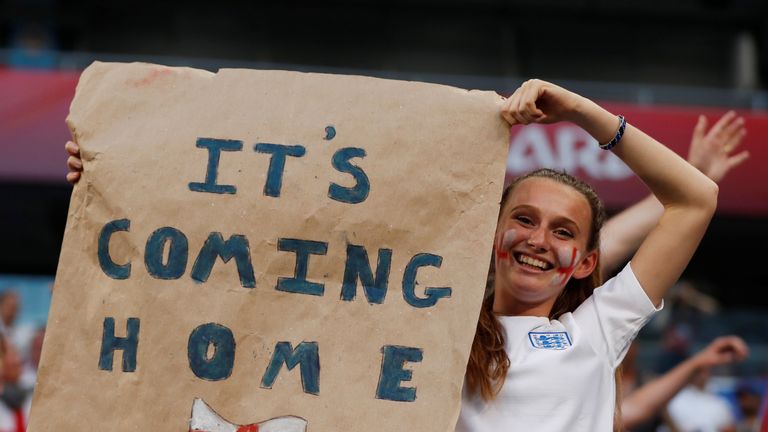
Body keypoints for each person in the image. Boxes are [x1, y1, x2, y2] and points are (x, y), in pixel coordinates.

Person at [66, 79, 718, 431]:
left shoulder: (598, 329)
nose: (538, 241)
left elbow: (695, 200)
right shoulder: (421, 321)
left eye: (562, 232)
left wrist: (578, 110)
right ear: (490, 233)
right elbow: (263, 255)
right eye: (522, 219)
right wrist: (126, 184)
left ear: (582, 262)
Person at [622, 336, 748, 431]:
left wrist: (699, 361)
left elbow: (635, 408)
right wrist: (698, 362)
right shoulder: (677, 398)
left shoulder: (719, 404)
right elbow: (632, 411)